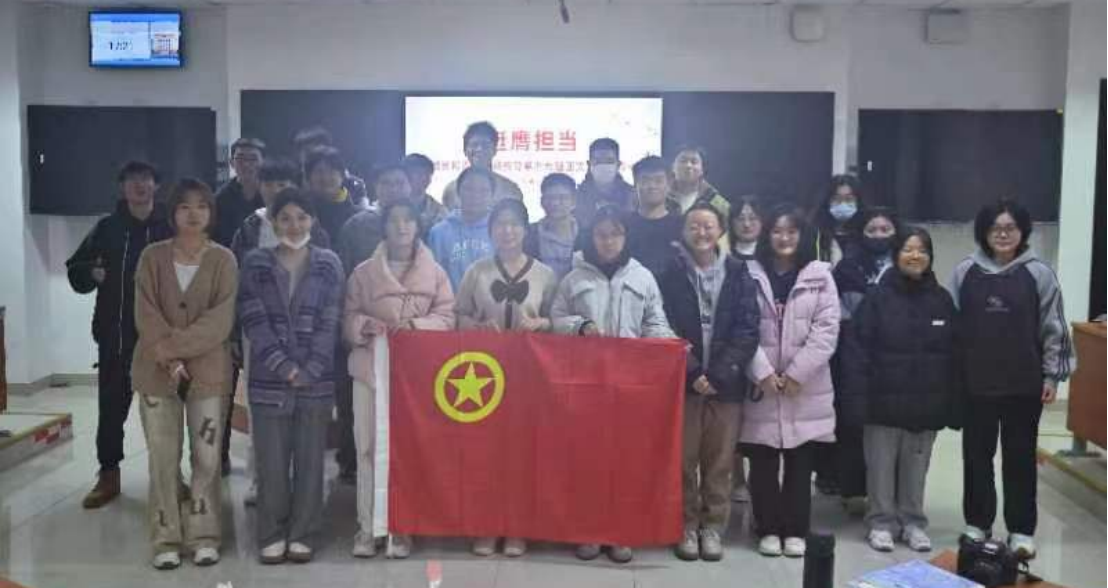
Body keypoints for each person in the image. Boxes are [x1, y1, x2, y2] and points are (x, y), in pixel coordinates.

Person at [950, 199, 1075, 560]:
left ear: (1022, 232)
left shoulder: (1039, 273)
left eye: (1010, 228)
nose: (1002, 234)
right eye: (995, 228)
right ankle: (977, 523)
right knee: (976, 457)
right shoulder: (965, 272)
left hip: (1024, 385)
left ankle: (1021, 530)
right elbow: (951, 330)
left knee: (1019, 459)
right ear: (983, 232)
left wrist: (1052, 376)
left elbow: (1054, 329)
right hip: (976, 385)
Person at [551, 205, 675, 565]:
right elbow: (555, 318)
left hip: (630, 386)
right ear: (591, 237)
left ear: (626, 237)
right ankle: (587, 530)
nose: (608, 241)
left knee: (627, 460)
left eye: (615, 234)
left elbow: (655, 321)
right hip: (586, 384)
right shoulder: (573, 278)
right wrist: (580, 326)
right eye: (601, 234)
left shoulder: (642, 276)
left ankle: (622, 531)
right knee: (587, 460)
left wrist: (668, 348)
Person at [132, 179, 238, 570]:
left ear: (211, 212)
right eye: (184, 206)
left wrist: (174, 350)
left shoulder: (224, 259)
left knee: (207, 457)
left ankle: (204, 535)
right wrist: (166, 356)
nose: (193, 214)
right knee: (163, 459)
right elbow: (146, 312)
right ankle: (166, 538)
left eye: (202, 206)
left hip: (208, 374)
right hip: (155, 373)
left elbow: (220, 320)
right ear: (172, 212)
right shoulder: (152, 257)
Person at [344, 200, 457, 561]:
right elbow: (347, 320)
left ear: (418, 226)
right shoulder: (363, 273)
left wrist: (415, 326)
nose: (401, 227)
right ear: (383, 227)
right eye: (393, 220)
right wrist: (365, 326)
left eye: (408, 220)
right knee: (366, 447)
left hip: (416, 377)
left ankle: (401, 526)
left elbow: (447, 318)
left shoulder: (435, 273)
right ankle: (367, 527)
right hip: (369, 371)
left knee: (407, 450)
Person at [238, 189, 345, 565]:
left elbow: (331, 319)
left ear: (312, 220)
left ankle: (303, 533)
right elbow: (253, 319)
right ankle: (271, 532)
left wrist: (311, 368)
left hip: (316, 380)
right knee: (271, 463)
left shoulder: (329, 263)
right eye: (285, 218)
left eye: (301, 217)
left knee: (311, 462)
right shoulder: (255, 263)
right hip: (269, 380)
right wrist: (284, 366)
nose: (294, 225)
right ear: (273, 222)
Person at [840, 227, 959, 554]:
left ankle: (913, 522)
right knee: (880, 469)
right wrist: (857, 400)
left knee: (916, 470)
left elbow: (955, 354)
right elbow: (857, 352)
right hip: (882, 404)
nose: (915, 255)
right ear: (896, 255)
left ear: (930, 256)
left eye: (922, 250)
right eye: (908, 249)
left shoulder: (942, 300)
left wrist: (951, 402)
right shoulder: (877, 299)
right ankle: (880, 522)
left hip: (925, 405)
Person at [66, 161, 174, 510]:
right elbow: (76, 269)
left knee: (167, 410)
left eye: (146, 179)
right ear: (122, 187)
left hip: (163, 337)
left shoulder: (169, 227)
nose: (140, 185)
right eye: (132, 180)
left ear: (156, 185)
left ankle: (172, 476)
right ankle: (108, 474)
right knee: (112, 408)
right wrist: (91, 274)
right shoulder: (107, 228)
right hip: (117, 334)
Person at [455, 198, 558, 559]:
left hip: (531, 378)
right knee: (484, 454)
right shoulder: (477, 272)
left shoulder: (545, 274)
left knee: (524, 454)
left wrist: (541, 323)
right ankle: (485, 525)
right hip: (484, 379)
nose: (507, 231)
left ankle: (518, 527)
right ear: (490, 230)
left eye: (514, 224)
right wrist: (477, 326)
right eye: (500, 224)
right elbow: (458, 316)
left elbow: (559, 320)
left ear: (525, 230)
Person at [659, 203, 761, 563]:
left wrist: (719, 373)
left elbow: (749, 328)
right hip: (683, 383)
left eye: (708, 226)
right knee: (683, 460)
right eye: (694, 226)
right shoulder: (669, 274)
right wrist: (691, 371)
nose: (701, 233)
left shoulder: (739, 272)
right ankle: (686, 525)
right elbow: (663, 324)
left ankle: (713, 527)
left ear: (720, 230)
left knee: (720, 461)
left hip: (726, 385)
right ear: (683, 232)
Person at [229, 158, 330, 507]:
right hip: (262, 336)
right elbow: (237, 282)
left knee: (305, 421)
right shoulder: (249, 226)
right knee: (262, 412)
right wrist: (240, 335)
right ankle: (261, 480)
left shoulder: (315, 230)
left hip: (307, 337)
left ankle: (303, 490)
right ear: (260, 187)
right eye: (269, 183)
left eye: (283, 183)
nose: (275, 190)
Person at [742, 205, 840, 559]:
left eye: (792, 231)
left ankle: (796, 530)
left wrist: (798, 373)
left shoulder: (820, 276)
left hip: (806, 388)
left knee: (800, 467)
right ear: (766, 235)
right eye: (777, 231)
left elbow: (827, 330)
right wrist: (762, 372)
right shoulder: (749, 274)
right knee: (763, 465)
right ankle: (768, 527)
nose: (784, 238)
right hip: (762, 386)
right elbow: (742, 327)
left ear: (803, 236)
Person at [820, 208, 902, 504]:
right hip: (853, 356)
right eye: (872, 230)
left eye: (885, 229)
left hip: (896, 358)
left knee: (891, 425)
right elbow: (836, 313)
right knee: (853, 423)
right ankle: (853, 489)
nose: (879, 236)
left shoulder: (905, 264)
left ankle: (890, 492)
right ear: (861, 234)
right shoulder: (846, 268)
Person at [726, 195, 765, 505]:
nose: (747, 223)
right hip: (734, 346)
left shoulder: (771, 255)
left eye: (753, 217)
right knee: (734, 420)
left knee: (762, 419)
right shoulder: (723, 257)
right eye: (741, 218)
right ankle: (736, 478)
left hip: (769, 345)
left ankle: (759, 479)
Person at [427, 167, 497, 290]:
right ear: (458, 192)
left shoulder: (500, 230)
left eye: (483, 190)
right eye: (469, 189)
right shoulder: (439, 233)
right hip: (449, 301)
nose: (475, 196)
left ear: (492, 195)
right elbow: (432, 277)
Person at [339, 163, 413, 275]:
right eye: (385, 183)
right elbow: (346, 271)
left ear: (410, 186)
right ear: (375, 187)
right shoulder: (355, 226)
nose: (393, 189)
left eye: (400, 183)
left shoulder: (424, 223)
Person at [624, 156, 684, 280]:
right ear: (635, 184)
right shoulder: (623, 225)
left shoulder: (682, 225)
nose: (652, 186)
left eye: (658, 180)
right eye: (645, 180)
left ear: (669, 184)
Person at [441, 121, 524, 210]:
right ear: (465, 150)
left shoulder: (510, 190)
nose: (479, 149)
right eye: (474, 145)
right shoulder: (451, 191)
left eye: (485, 145)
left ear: (495, 150)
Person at [294, 126, 369, 207]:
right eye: (306, 151)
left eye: (317, 150)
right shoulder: (293, 183)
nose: (313, 156)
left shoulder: (354, 184)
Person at [524, 173, 579, 280]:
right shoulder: (529, 234)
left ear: (573, 202)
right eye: (550, 197)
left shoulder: (586, 236)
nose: (555, 203)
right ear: (541, 201)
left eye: (562, 198)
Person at [213, 138, 266, 248]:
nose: (246, 164)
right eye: (240, 159)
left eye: (253, 159)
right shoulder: (219, 199)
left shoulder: (272, 195)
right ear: (231, 163)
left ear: (263, 162)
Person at [575, 138, 638, 229]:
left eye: (609, 161)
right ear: (589, 164)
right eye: (598, 161)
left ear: (618, 164)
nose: (603, 165)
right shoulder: (577, 196)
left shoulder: (632, 195)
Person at [304, 146, 362, 242]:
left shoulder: (359, 216)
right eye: (319, 172)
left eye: (331, 171)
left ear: (342, 175)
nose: (326, 178)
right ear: (308, 178)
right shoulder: (301, 214)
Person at [812, 174, 864, 265]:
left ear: (858, 202)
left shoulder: (866, 234)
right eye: (836, 199)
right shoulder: (817, 235)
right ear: (827, 202)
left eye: (849, 199)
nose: (843, 204)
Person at [668, 146, 730, 219]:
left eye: (694, 162)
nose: (688, 166)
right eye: (683, 161)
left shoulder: (713, 197)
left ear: (702, 170)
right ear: (673, 167)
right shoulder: (663, 194)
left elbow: (730, 217)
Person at [403, 153, 449, 235]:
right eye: (418, 173)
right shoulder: (392, 205)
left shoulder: (439, 211)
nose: (424, 178)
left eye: (427, 174)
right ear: (405, 175)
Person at [729, 195, 764, 262]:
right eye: (741, 219)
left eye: (752, 218)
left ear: (762, 221)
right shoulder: (722, 256)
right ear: (732, 222)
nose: (746, 224)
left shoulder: (771, 256)